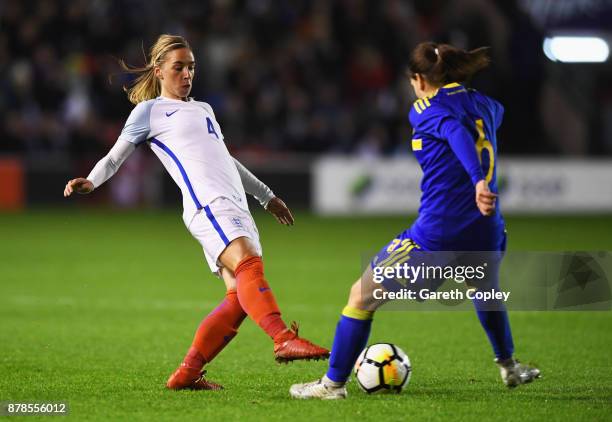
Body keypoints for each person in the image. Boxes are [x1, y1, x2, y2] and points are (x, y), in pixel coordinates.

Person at [63, 34, 329, 391]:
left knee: (238, 299)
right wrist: (92, 182)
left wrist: (266, 196)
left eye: (191, 67)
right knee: (249, 264)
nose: (187, 74)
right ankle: (282, 338)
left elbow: (226, 159)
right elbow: (114, 157)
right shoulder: (149, 112)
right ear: (159, 71)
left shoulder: (204, 109)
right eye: (178, 67)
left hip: (233, 204)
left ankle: (187, 373)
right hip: (208, 205)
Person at [290, 42, 540, 399]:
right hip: (486, 229)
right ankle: (510, 367)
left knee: (360, 296)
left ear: (420, 79)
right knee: (485, 292)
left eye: (411, 80)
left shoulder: (425, 109)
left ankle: (332, 385)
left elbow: (454, 132)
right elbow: (491, 116)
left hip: (439, 234)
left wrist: (477, 180)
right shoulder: (485, 104)